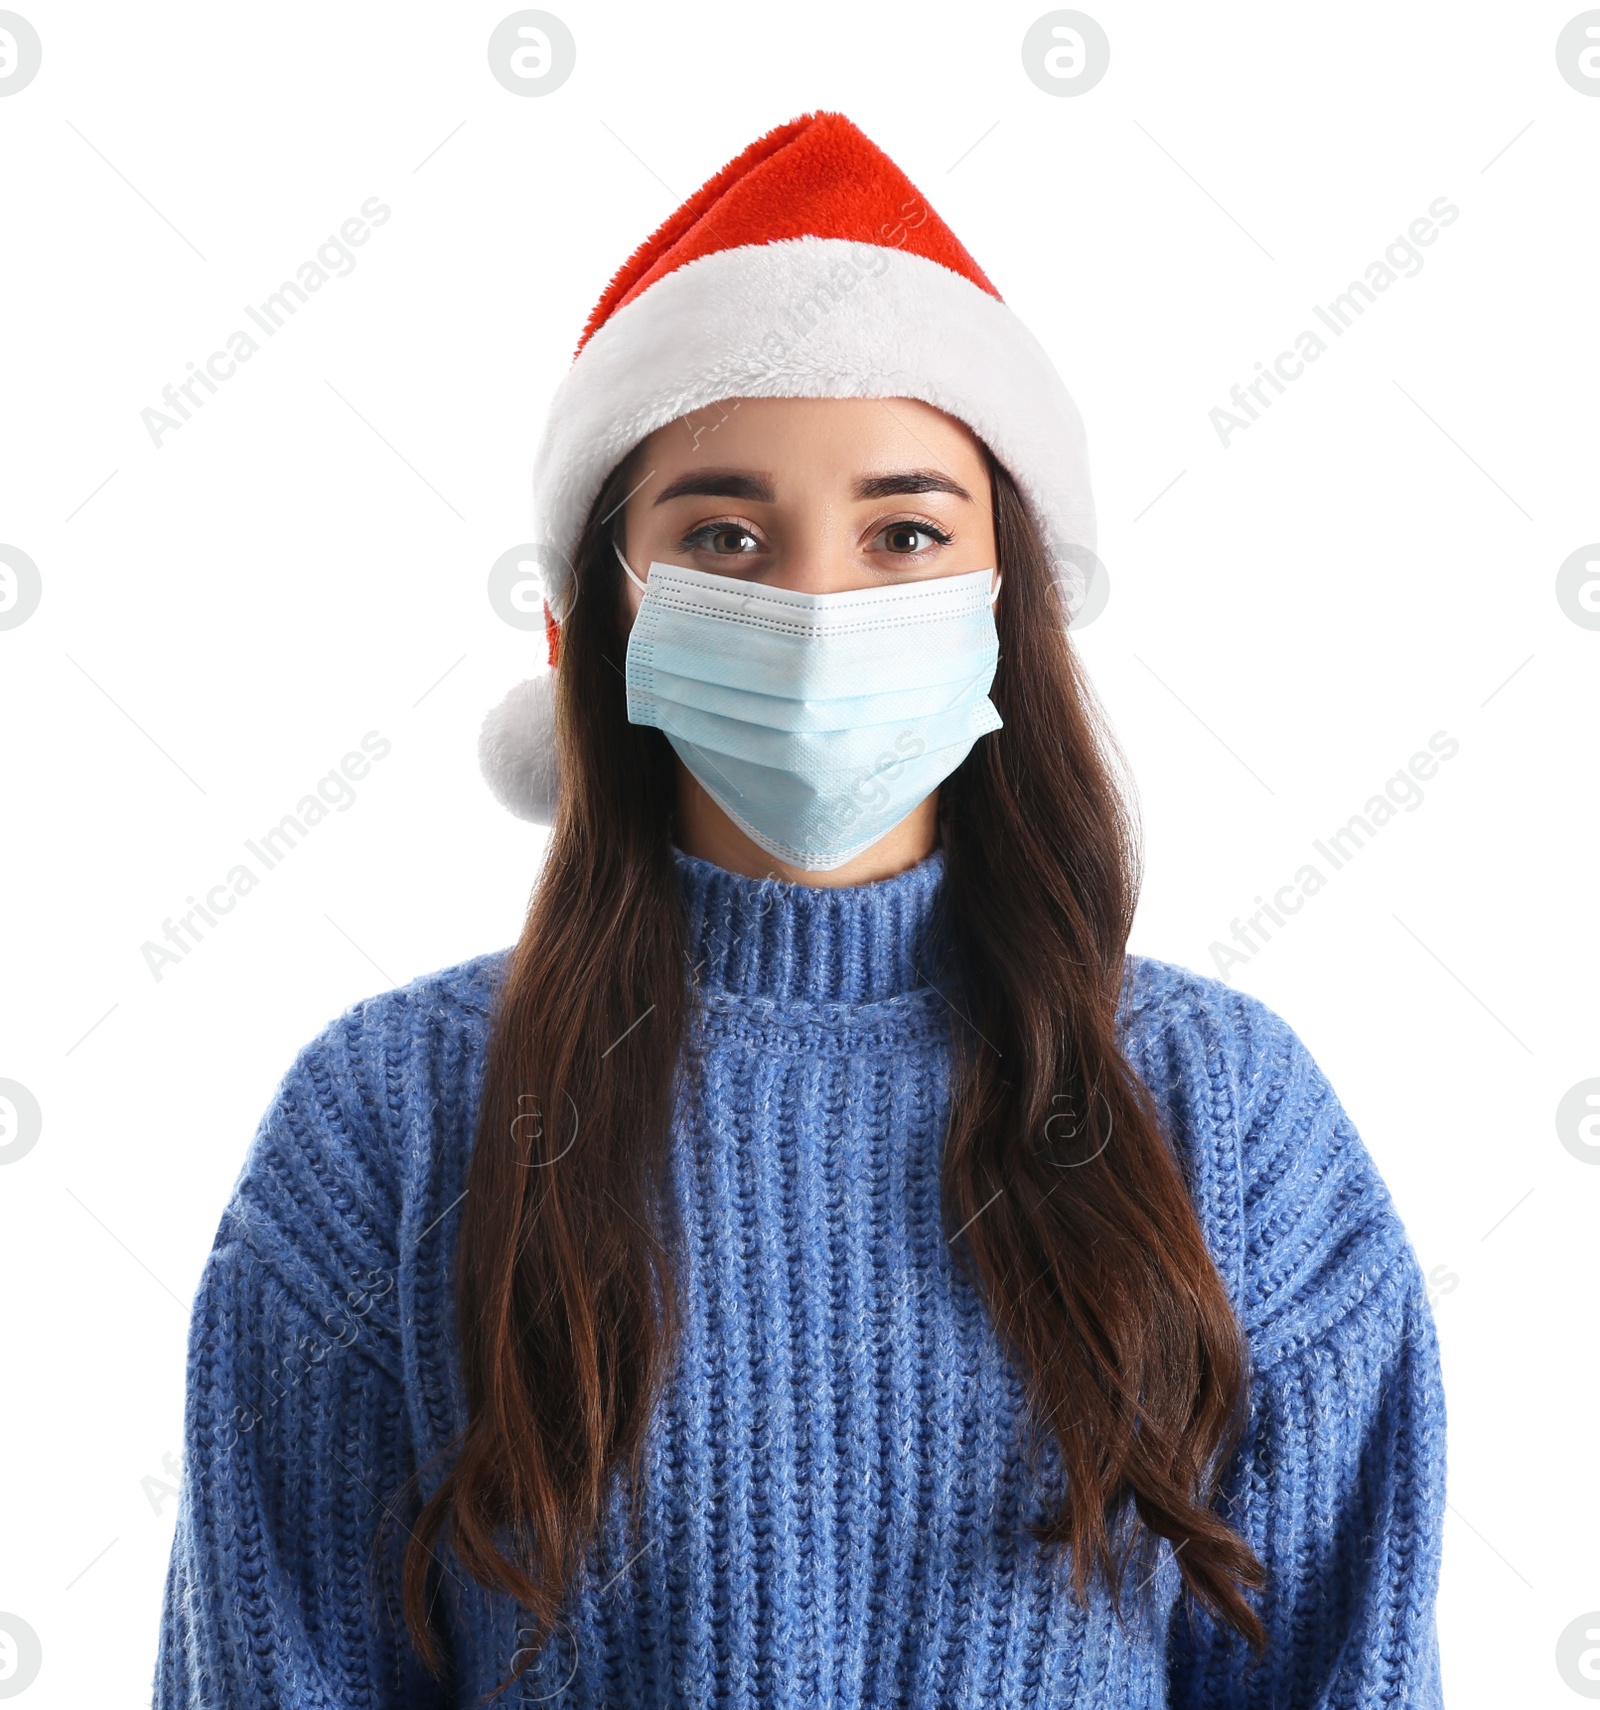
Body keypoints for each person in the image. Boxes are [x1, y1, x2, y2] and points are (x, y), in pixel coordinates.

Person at [153, 110, 1446, 1708]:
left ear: (1010, 601)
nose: (820, 604)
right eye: (725, 535)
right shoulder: (390, 1127)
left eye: (906, 531)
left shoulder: (1228, 1121)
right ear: (603, 616)